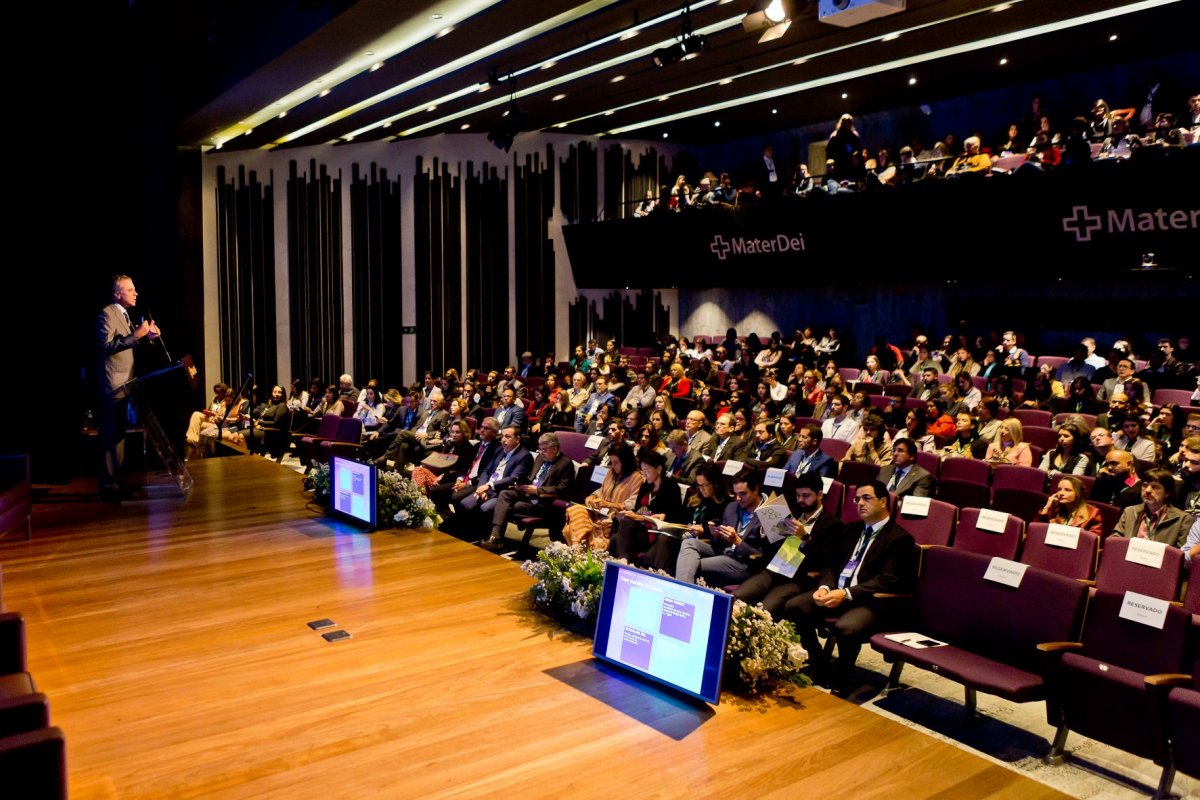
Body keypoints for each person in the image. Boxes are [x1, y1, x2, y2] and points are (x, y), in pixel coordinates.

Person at [784, 479, 918, 696]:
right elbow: (830, 564)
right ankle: (820, 664)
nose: (860, 503)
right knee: (794, 606)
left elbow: (887, 580)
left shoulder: (900, 539)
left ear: (883, 501)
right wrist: (826, 587)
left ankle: (842, 681)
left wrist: (846, 594)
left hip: (871, 601)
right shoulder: (851, 529)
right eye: (857, 499)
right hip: (836, 592)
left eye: (867, 498)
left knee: (847, 627)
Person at [733, 472, 849, 618]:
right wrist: (766, 530)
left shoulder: (833, 525)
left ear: (819, 495)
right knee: (736, 598)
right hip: (774, 570)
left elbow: (825, 562)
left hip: (799, 578)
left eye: (806, 496)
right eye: (797, 495)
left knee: (764, 613)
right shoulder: (791, 513)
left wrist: (805, 538)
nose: (800, 500)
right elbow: (770, 550)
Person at [96, 274, 161, 499]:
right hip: (113, 385)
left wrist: (148, 336)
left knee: (119, 436)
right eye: (130, 289)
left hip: (127, 384)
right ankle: (108, 485)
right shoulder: (107, 313)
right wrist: (137, 334)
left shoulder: (124, 315)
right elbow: (106, 346)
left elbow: (130, 343)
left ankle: (115, 482)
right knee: (111, 436)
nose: (136, 293)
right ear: (117, 294)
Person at [482, 432, 576, 551]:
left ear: (555, 448)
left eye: (544, 450)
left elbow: (563, 488)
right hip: (527, 494)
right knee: (505, 494)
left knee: (507, 506)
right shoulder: (540, 458)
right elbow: (531, 477)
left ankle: (496, 539)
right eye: (540, 449)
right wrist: (521, 485)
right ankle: (495, 535)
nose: (541, 452)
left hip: (543, 501)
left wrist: (537, 490)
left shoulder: (565, 463)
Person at [675, 471, 768, 586]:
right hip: (725, 552)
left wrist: (737, 541)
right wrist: (716, 535)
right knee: (689, 542)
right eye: (735, 494)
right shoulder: (732, 507)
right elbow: (719, 543)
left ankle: (682, 590)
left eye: (743, 494)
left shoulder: (768, 513)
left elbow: (762, 556)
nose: (738, 498)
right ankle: (684, 588)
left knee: (690, 564)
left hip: (744, 563)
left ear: (756, 489)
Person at [642, 462, 731, 575]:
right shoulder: (696, 498)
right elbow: (681, 517)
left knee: (664, 541)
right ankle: (656, 572)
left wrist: (703, 531)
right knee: (664, 536)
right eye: (698, 485)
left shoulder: (725, 504)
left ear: (715, 484)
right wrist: (665, 517)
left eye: (704, 485)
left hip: (705, 542)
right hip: (685, 535)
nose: (701, 489)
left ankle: (657, 573)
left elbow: (719, 530)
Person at [563, 444, 643, 550]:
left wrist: (609, 505)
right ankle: (577, 547)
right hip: (598, 513)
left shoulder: (637, 478)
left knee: (572, 529)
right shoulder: (611, 472)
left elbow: (632, 503)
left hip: (614, 518)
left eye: (616, 462)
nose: (613, 465)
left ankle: (577, 548)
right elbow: (602, 490)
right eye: (611, 462)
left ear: (626, 461)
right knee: (576, 509)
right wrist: (593, 497)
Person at [608, 450, 685, 561]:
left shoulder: (672, 487)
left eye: (647, 471)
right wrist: (623, 514)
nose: (644, 474)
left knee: (620, 534)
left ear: (658, 469)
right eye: (643, 471)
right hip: (640, 528)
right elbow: (637, 510)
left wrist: (643, 517)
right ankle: (621, 560)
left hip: (655, 532)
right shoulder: (645, 486)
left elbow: (675, 516)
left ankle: (623, 559)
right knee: (618, 533)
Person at [1112, 468, 1192, 547]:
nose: (1148, 490)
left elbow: (1180, 554)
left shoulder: (1182, 519)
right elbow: (1115, 540)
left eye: (1155, 487)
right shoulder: (1130, 511)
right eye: (1145, 485)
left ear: (1167, 493)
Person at [1035, 475, 1105, 534]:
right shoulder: (1053, 509)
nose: (1061, 493)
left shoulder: (1093, 513)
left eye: (1067, 490)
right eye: (1059, 489)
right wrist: (1047, 507)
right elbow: (1037, 531)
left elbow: (1092, 541)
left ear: (1078, 493)